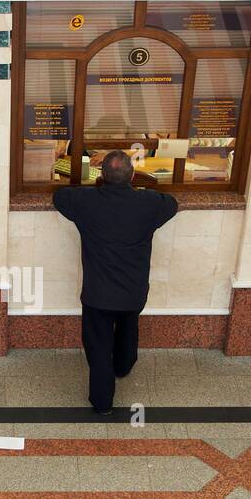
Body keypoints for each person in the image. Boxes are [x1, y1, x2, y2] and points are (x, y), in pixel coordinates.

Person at [53, 149, 178, 414]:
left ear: (102, 175)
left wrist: (93, 187)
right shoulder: (149, 203)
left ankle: (102, 402)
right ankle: (122, 366)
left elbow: (59, 196)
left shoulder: (86, 201)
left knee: (98, 347)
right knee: (128, 327)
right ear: (132, 176)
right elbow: (172, 203)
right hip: (133, 292)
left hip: (98, 294)